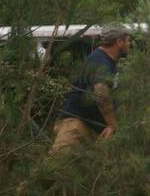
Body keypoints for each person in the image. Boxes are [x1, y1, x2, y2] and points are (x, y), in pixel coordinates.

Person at [51, 24, 132, 153]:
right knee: (57, 167)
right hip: (76, 125)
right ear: (119, 42)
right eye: (128, 40)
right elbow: (101, 91)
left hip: (91, 128)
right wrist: (112, 125)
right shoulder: (101, 61)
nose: (129, 44)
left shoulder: (107, 62)